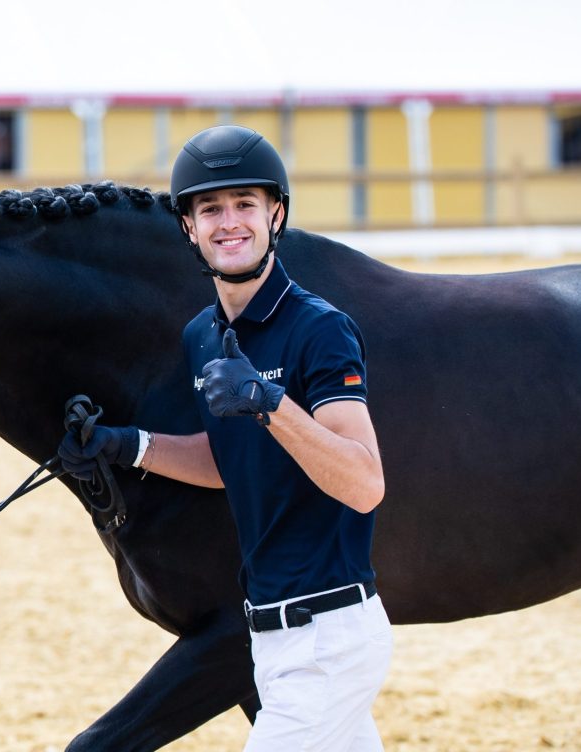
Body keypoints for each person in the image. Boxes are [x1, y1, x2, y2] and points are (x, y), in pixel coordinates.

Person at [59, 125, 392, 751]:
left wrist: (269, 402)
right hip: (268, 637)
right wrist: (126, 445)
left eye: (246, 204)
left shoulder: (321, 329)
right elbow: (228, 461)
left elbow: (364, 482)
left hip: (328, 635)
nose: (228, 221)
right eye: (210, 208)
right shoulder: (203, 337)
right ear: (189, 227)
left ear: (277, 214)